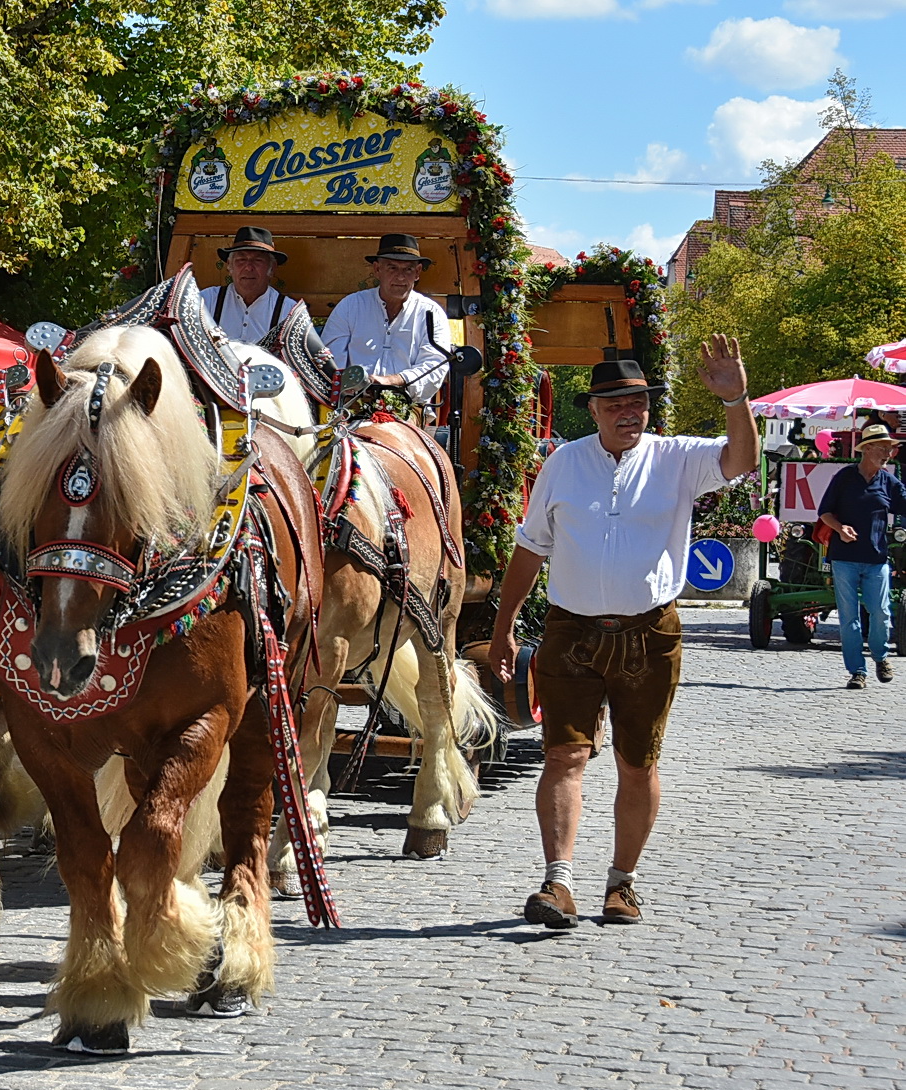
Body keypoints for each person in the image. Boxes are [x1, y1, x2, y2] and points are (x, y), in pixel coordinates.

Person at [488, 339, 757, 930]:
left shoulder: (677, 457)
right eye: (615, 404)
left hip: (648, 634)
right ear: (594, 410)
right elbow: (531, 548)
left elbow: (740, 461)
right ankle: (558, 883)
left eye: (638, 402)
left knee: (637, 763)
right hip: (571, 631)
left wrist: (735, 400)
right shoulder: (564, 462)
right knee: (563, 754)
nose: (629, 413)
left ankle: (621, 884)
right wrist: (504, 626)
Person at [817, 422, 906, 689]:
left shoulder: (889, 482)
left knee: (880, 612)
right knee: (849, 618)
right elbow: (824, 512)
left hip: (876, 558)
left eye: (890, 449)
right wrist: (839, 528)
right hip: (844, 558)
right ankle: (857, 671)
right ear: (867, 449)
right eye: (883, 448)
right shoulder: (844, 478)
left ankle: (880, 656)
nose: (888, 453)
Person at [319, 233, 451, 407]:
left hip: (409, 406)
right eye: (392, 268)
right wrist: (352, 389)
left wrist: (392, 381)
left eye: (408, 269)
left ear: (418, 272)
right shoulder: (350, 306)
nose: (400, 277)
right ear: (377, 269)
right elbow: (330, 361)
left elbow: (435, 366)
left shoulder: (431, 313)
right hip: (352, 404)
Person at [200, 226, 302, 343]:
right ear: (229, 265)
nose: (248, 267)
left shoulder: (288, 311)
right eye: (241, 260)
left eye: (258, 260)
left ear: (272, 267)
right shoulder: (206, 301)